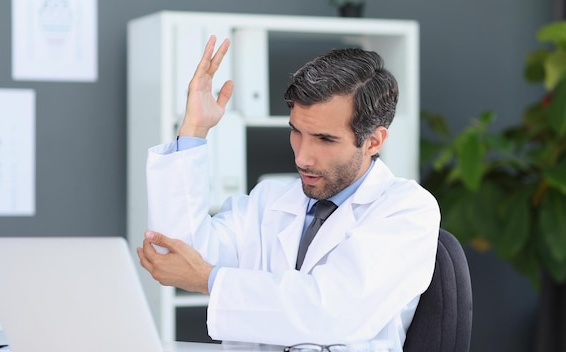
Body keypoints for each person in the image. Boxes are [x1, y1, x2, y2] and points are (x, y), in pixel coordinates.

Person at [137, 35, 440, 351]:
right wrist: (194, 130)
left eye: (324, 139)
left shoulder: (406, 210)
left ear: (374, 142)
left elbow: (330, 312)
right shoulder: (269, 200)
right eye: (296, 132)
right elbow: (176, 253)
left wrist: (210, 280)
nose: (302, 157)